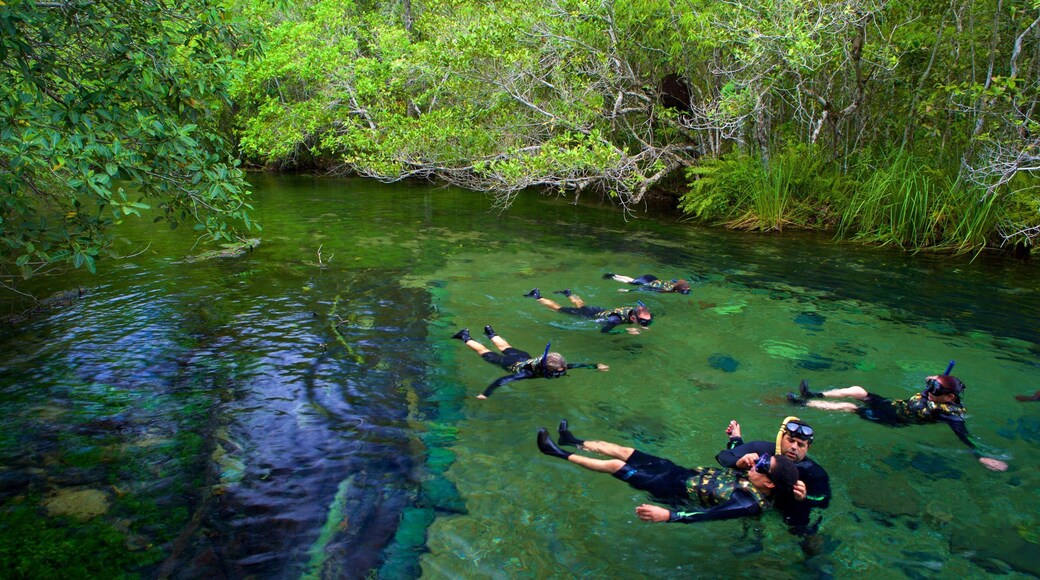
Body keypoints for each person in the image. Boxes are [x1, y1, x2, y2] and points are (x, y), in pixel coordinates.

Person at [536, 421, 799, 524]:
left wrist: (669, 515)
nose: (757, 463)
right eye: (763, 459)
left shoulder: (748, 502)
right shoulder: (755, 475)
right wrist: (736, 439)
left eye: (763, 466)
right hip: (678, 472)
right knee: (623, 450)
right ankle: (572, 441)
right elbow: (733, 455)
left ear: (770, 484)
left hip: (670, 490)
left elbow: (706, 515)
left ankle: (556, 452)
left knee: (616, 466)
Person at [788, 377, 1009, 471]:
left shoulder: (951, 415)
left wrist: (979, 455)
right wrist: (934, 379)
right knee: (859, 391)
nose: (930, 391)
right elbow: (932, 381)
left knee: (850, 407)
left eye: (936, 390)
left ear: (949, 397)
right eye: (931, 386)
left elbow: (965, 436)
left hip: (894, 419)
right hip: (891, 405)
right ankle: (813, 393)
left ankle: (803, 404)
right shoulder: (936, 392)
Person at [715, 416, 830, 538]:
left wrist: (805, 497)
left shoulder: (813, 473)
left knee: (802, 532)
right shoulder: (760, 449)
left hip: (788, 504)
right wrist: (739, 460)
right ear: (780, 438)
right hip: (759, 495)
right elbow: (723, 457)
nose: (794, 447)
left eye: (801, 445)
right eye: (790, 440)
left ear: (808, 448)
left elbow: (823, 501)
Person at [451, 325, 608, 399]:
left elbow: (574, 365)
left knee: (506, 346)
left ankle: (490, 333)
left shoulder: (556, 365)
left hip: (523, 356)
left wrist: (594, 366)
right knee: (484, 352)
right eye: (557, 373)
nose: (562, 372)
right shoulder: (527, 373)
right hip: (511, 363)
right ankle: (464, 336)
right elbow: (502, 380)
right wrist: (486, 394)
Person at [523, 288, 652, 334]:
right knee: (558, 309)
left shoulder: (638, 311)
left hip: (600, 310)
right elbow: (604, 331)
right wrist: (625, 330)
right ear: (634, 318)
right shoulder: (615, 320)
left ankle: (568, 293)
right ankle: (536, 296)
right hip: (593, 315)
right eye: (642, 322)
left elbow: (644, 312)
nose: (645, 324)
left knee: (582, 306)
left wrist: (643, 324)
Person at [603, 273, 691, 294]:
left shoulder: (673, 283)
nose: (687, 289)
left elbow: (675, 280)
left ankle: (615, 274)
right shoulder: (667, 290)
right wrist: (628, 290)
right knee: (630, 282)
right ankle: (613, 277)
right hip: (646, 282)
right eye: (685, 288)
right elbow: (645, 288)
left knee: (632, 280)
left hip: (651, 277)